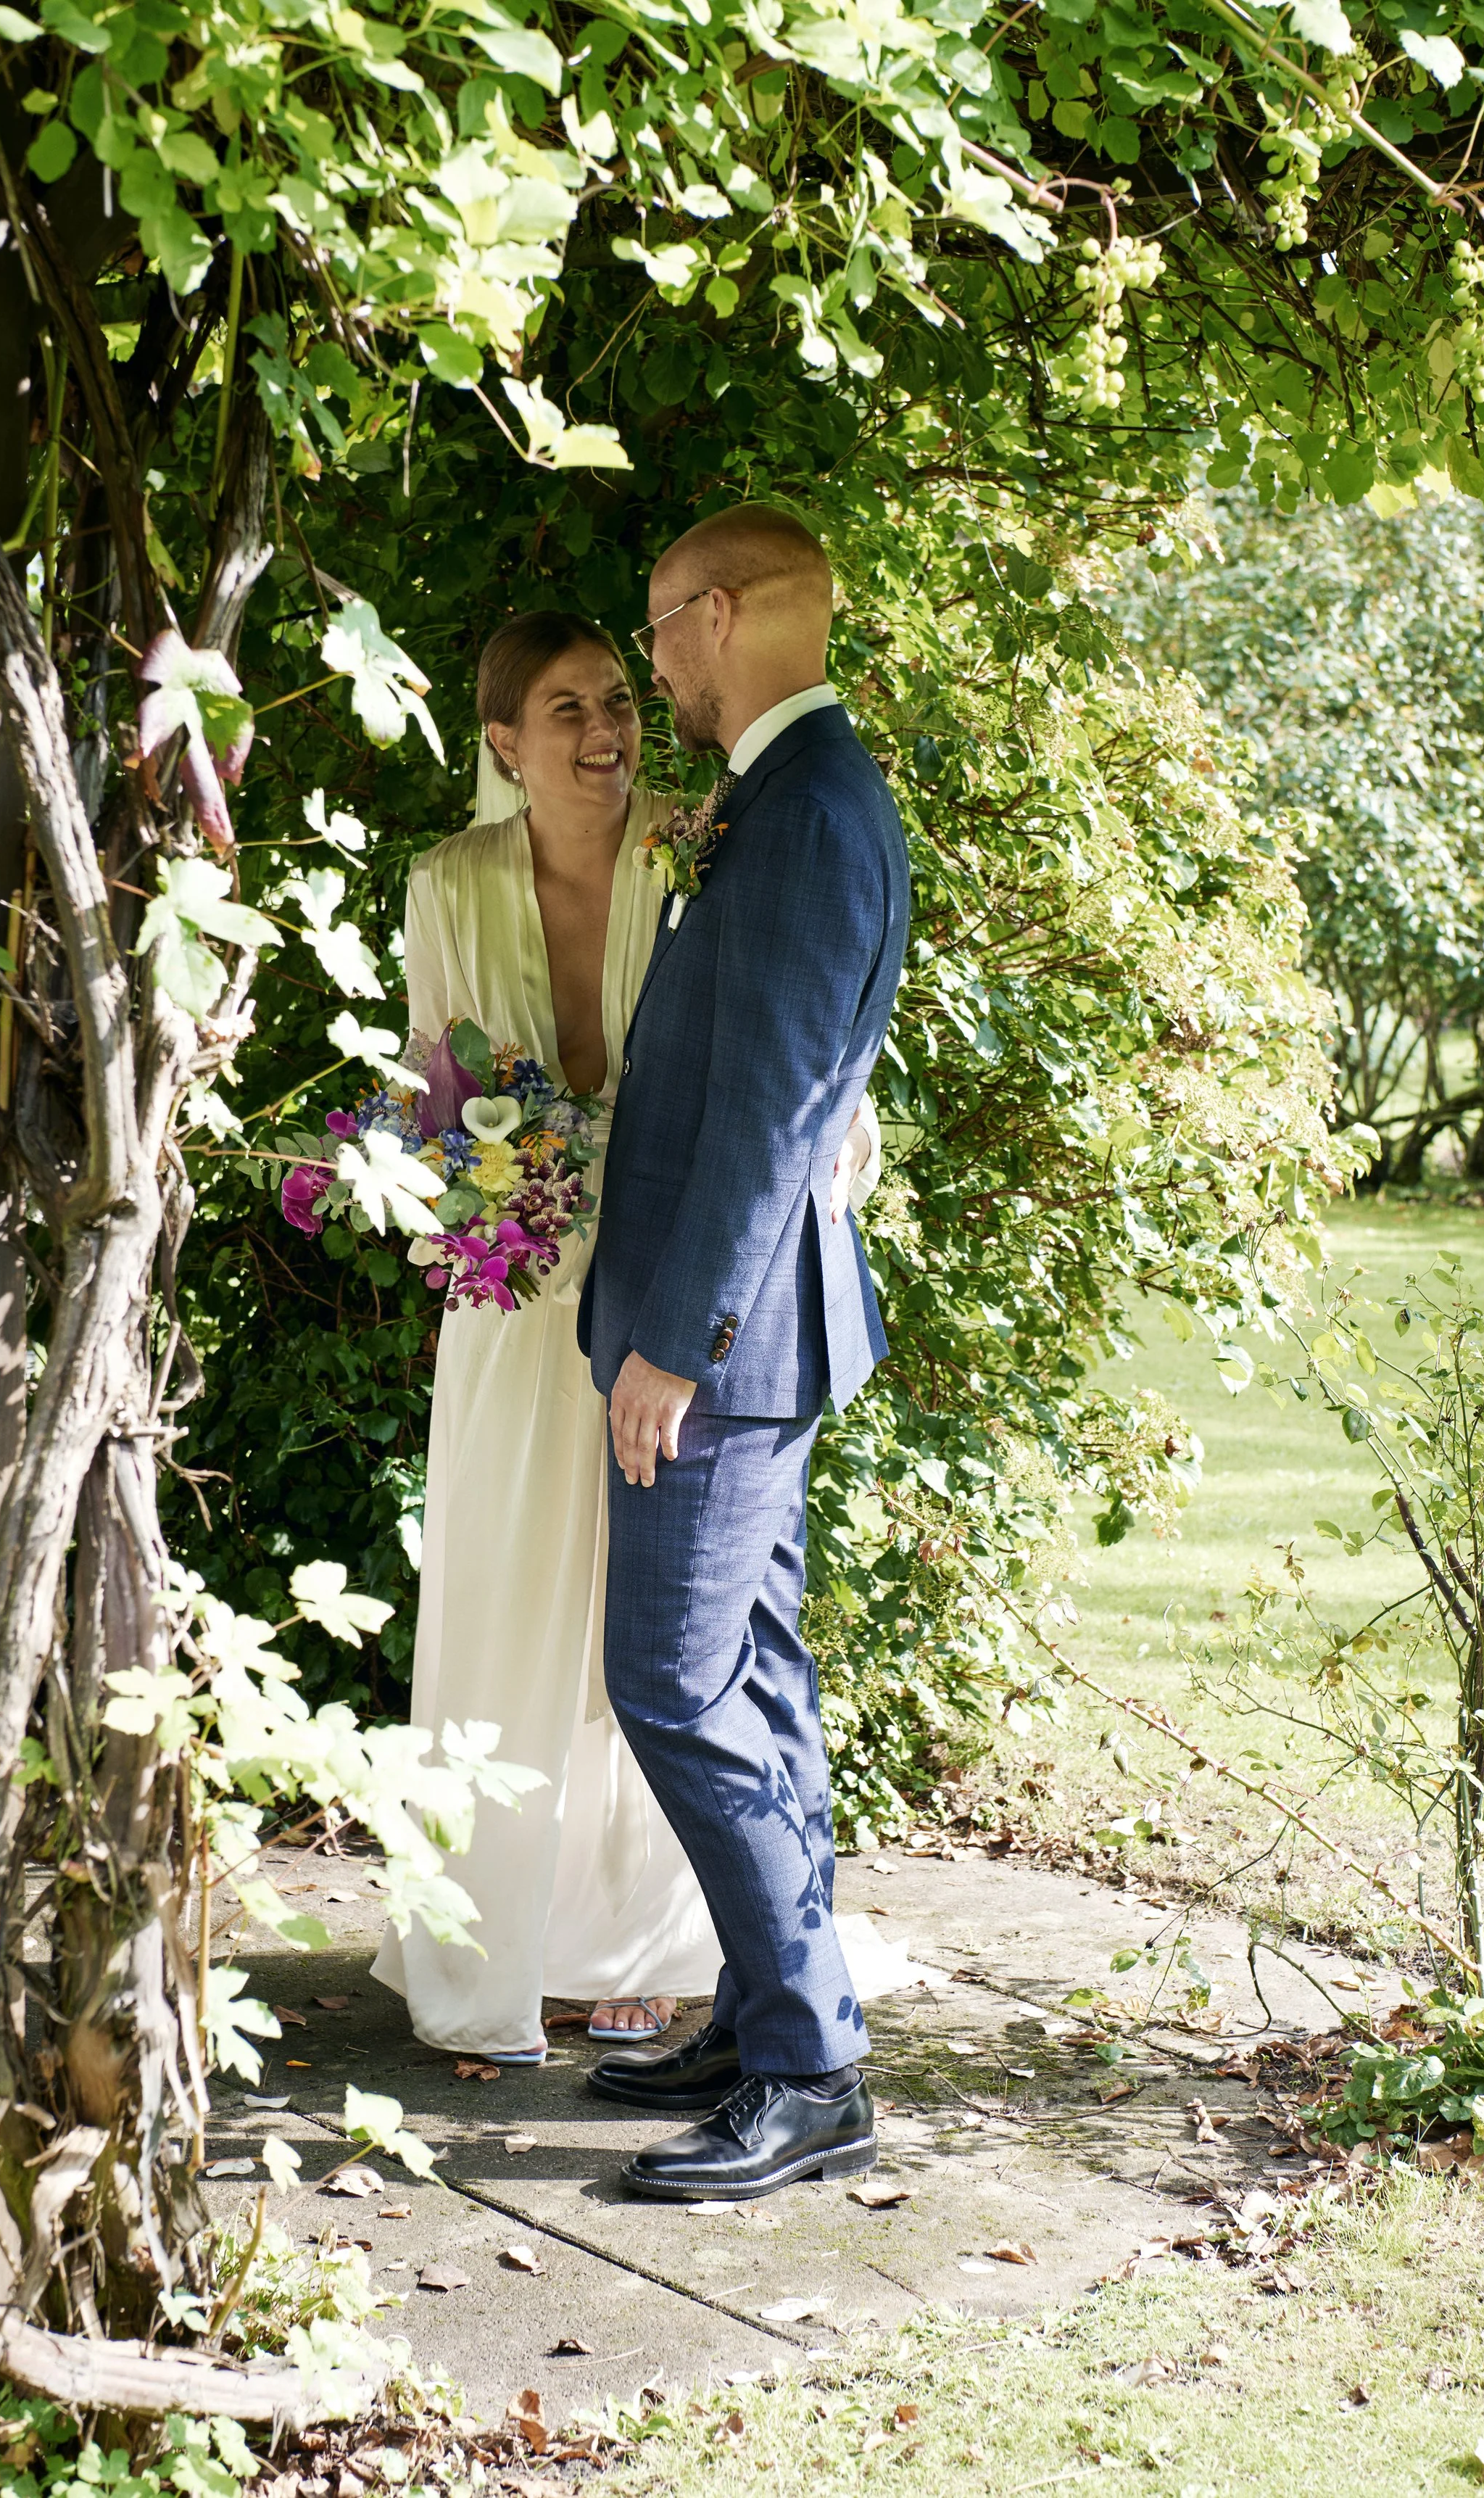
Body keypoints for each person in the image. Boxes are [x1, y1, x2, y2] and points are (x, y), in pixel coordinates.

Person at [370, 611, 880, 2062]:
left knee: (661, 1625)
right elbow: (428, 1081)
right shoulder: (447, 884)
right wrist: (456, 1187)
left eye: (619, 699)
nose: (606, 731)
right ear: (502, 744)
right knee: (515, 1591)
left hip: (668, 1287)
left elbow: (801, 1054)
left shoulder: (699, 843)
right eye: (567, 709)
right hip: (519, 1297)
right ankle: (491, 1932)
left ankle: (648, 1936)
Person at [578, 505, 910, 2200]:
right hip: (753, 1332)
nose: (650, 662)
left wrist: (678, 1346)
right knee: (756, 1677)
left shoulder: (807, 812)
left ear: (719, 614)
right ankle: (772, 2006)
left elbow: (774, 1104)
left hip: (726, 1341)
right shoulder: (797, 798)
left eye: (658, 626)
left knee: (675, 1683)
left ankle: (810, 2068)